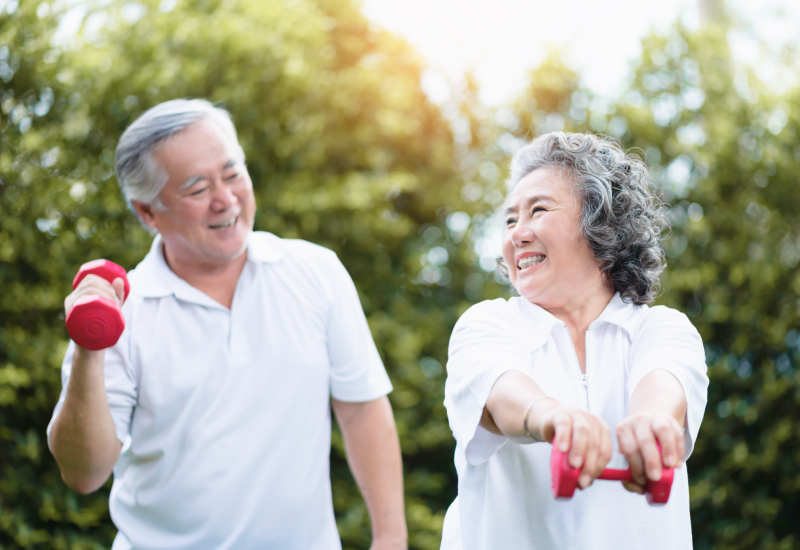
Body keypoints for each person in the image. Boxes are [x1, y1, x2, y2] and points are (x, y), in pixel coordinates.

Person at [48, 99, 407, 550]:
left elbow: (361, 408)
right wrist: (89, 349)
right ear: (148, 213)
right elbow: (84, 474)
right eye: (197, 189)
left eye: (233, 173)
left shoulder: (317, 271)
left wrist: (390, 539)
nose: (226, 198)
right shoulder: (124, 310)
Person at [441, 132, 709, 549]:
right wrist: (550, 416)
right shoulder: (488, 324)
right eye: (510, 219)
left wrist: (651, 424)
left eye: (538, 211)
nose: (517, 233)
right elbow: (500, 395)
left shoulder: (662, 329)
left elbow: (663, 388)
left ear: (601, 224)